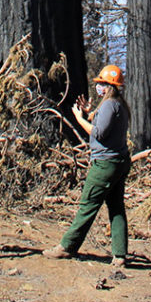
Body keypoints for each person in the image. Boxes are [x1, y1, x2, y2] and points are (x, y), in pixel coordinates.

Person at [43, 64, 131, 267]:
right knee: (116, 208)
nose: (98, 86)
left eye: (101, 83)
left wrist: (78, 118)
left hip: (105, 166)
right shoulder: (117, 104)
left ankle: (67, 247)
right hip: (119, 162)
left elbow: (98, 133)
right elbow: (104, 124)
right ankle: (119, 255)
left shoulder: (109, 105)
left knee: (87, 205)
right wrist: (90, 113)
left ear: (109, 85)